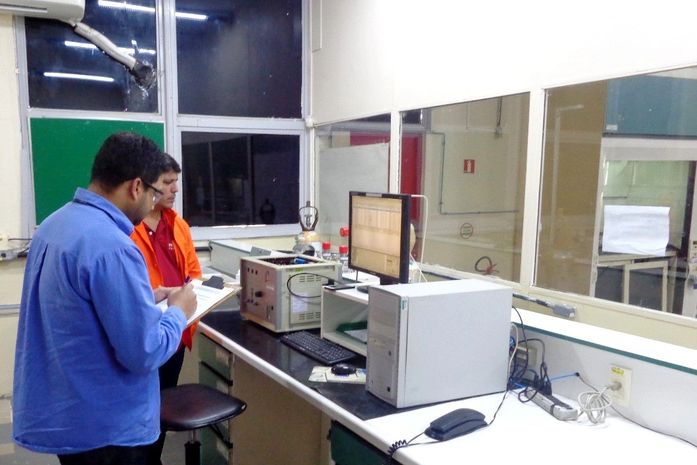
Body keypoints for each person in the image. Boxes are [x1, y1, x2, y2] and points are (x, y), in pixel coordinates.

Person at [12, 132, 197, 465]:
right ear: (136, 187)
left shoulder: (54, 225)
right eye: (154, 193)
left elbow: (76, 302)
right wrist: (178, 312)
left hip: (69, 413)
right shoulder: (114, 245)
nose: (153, 203)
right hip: (108, 428)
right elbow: (145, 351)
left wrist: (147, 296)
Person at [130, 153, 201, 462]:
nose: (175, 189)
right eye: (167, 182)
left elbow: (194, 273)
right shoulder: (128, 228)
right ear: (145, 185)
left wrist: (193, 295)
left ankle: (153, 457)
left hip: (177, 331)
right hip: (145, 332)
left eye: (176, 182)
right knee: (140, 411)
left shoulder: (178, 224)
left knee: (162, 405)